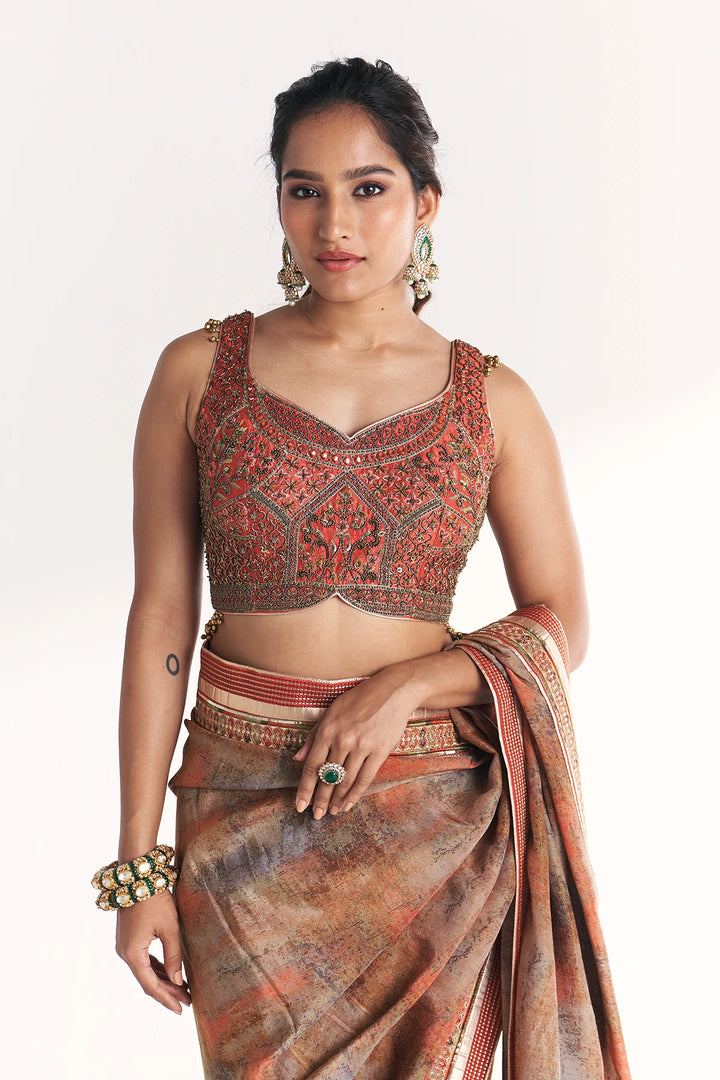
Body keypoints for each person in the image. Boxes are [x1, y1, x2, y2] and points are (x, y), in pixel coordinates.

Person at [93, 58, 631, 1080]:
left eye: (368, 188)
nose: (334, 223)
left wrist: (412, 685)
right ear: (279, 203)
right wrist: (137, 863)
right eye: (305, 190)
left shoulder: (494, 401)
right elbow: (160, 616)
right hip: (241, 822)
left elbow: (562, 620)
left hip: (433, 827)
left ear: (426, 204)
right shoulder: (198, 373)